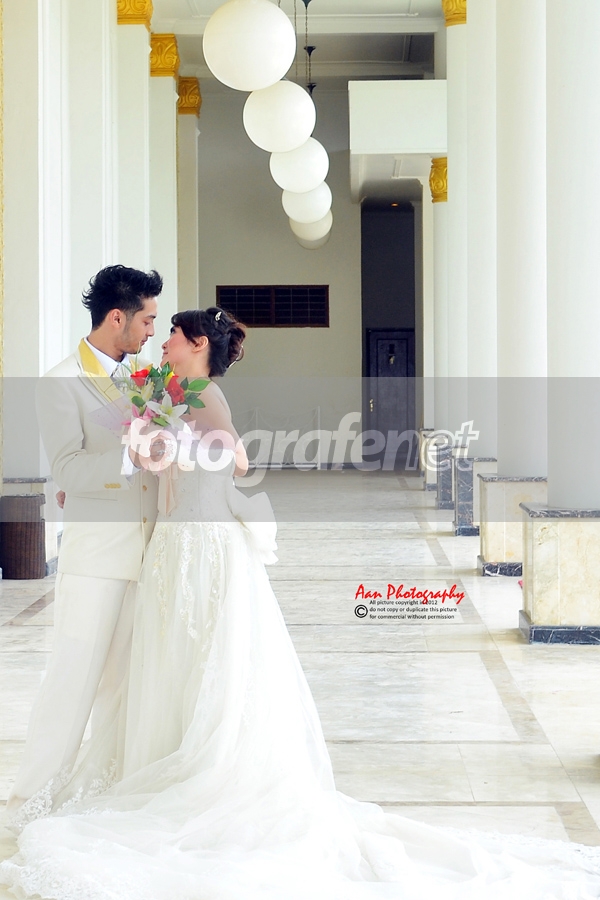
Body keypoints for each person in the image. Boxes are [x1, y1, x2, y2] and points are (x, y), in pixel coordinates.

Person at [2, 308, 600, 899]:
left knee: (207, 657)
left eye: (172, 335)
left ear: (197, 345)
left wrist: (174, 450)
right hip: (170, 545)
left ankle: (203, 770)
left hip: (204, 543)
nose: (162, 343)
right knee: (171, 659)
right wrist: (144, 450)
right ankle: (162, 756)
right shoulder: (168, 394)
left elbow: (238, 460)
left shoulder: (204, 395)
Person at [5, 265, 162, 831]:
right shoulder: (59, 381)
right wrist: (129, 456)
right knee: (72, 681)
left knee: (125, 687)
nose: (153, 329)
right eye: (147, 319)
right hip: (96, 556)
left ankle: (105, 793)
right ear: (117, 317)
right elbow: (68, 469)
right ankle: (29, 803)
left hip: (150, 551)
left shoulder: (147, 376)